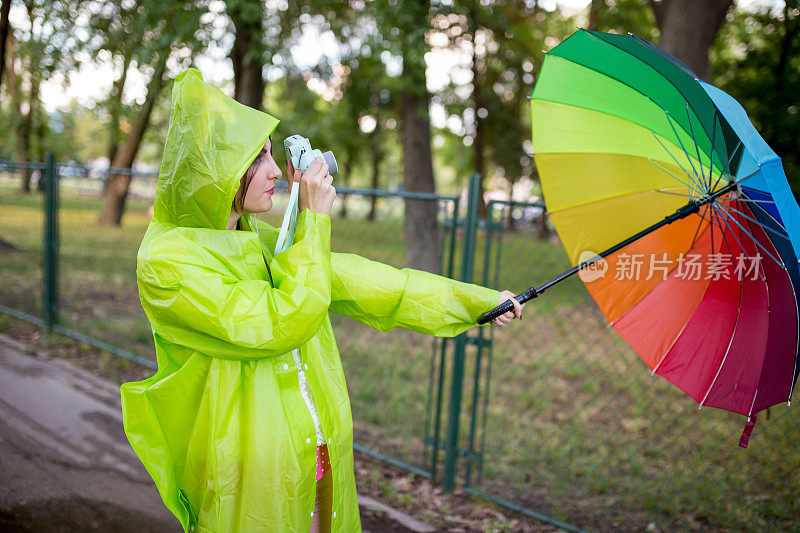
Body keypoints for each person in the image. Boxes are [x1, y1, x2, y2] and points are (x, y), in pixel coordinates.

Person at [121, 69, 524, 533]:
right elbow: (279, 322)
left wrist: (477, 302)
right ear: (215, 172)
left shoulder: (259, 242)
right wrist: (311, 221)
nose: (276, 171)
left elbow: (373, 283)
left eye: (273, 154)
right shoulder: (166, 262)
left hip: (314, 450)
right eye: (258, 158)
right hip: (250, 468)